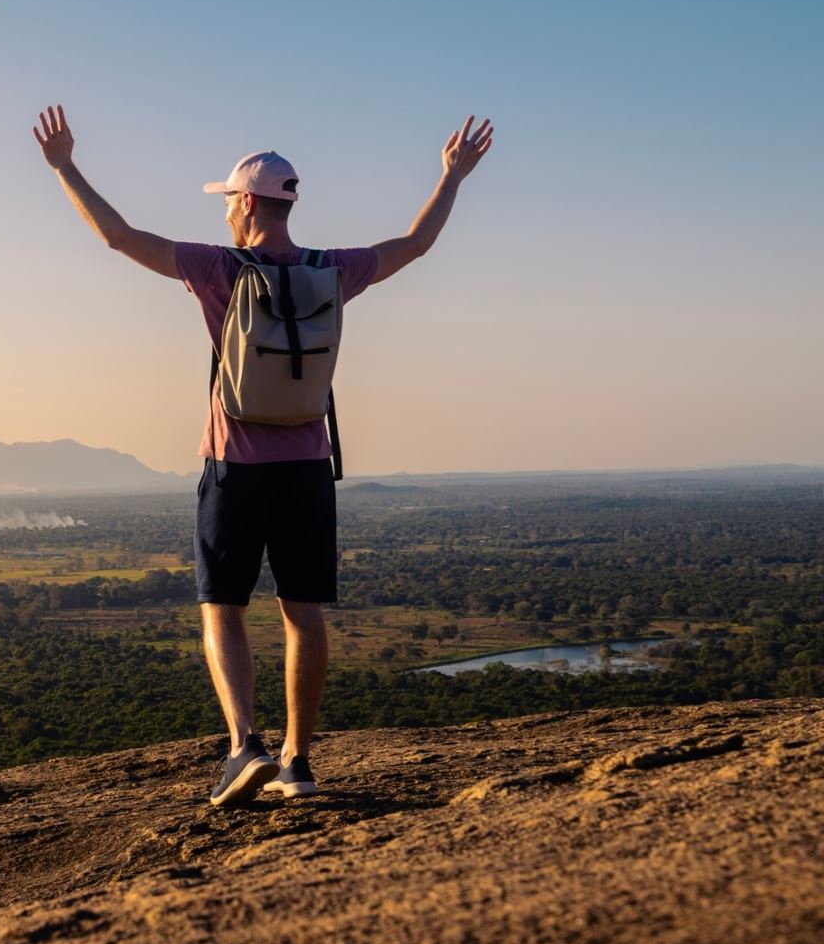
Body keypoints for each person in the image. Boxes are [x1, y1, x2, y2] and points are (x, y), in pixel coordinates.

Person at [32, 105, 494, 804]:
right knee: (302, 612)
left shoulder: (217, 269)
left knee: (221, 605)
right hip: (309, 466)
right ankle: (298, 764)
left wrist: (66, 168)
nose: (224, 216)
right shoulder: (330, 270)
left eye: (228, 204)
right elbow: (414, 245)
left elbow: (119, 237)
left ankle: (244, 745)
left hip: (235, 464)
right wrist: (451, 178)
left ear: (247, 204)